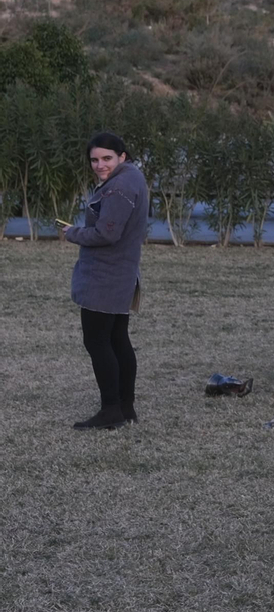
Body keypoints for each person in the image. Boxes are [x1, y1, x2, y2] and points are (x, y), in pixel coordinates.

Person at [63, 132, 150, 431]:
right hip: (122, 272)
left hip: (106, 275)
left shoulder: (120, 187)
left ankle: (112, 410)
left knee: (98, 341)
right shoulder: (132, 178)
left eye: (107, 158)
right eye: (95, 160)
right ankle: (126, 408)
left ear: (122, 157)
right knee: (116, 339)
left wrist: (72, 232)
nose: (100, 165)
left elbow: (106, 234)